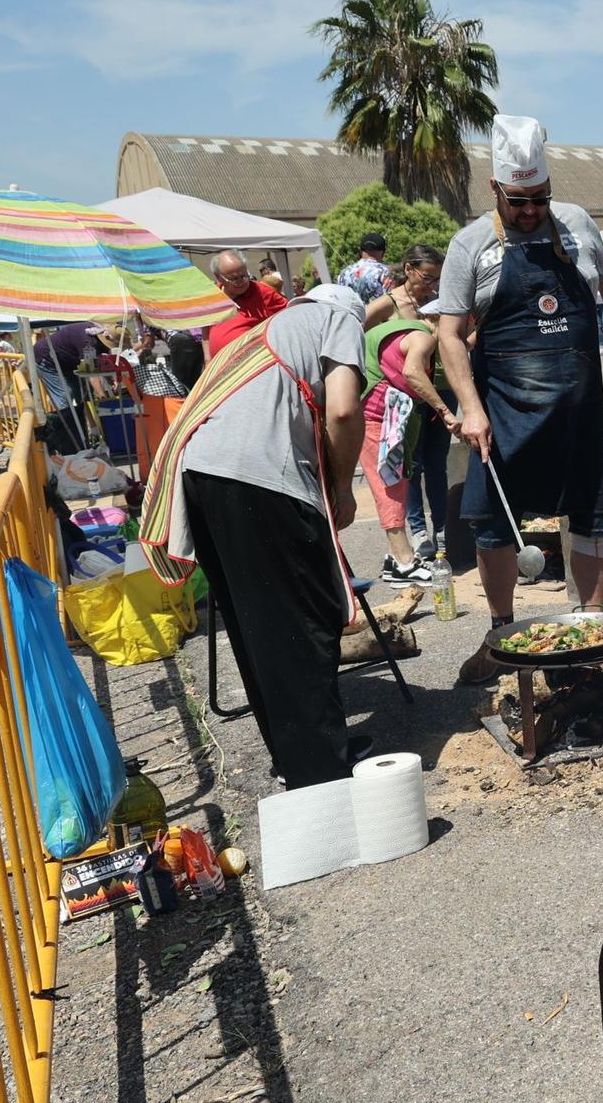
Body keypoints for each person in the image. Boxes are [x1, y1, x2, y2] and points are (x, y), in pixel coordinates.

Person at [138, 285, 371, 787]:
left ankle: (297, 757)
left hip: (198, 475)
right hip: (261, 479)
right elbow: (345, 411)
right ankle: (322, 773)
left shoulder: (265, 330)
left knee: (255, 627)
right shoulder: (340, 321)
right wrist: (339, 487)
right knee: (302, 623)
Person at [436, 114, 603, 683]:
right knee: (495, 525)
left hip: (576, 408)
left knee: (591, 515)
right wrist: (470, 408)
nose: (531, 212)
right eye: (519, 201)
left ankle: (596, 630)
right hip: (503, 409)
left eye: (540, 199)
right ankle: (501, 636)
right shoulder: (471, 244)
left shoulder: (575, 225)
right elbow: (448, 335)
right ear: (496, 190)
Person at [360, 314, 458, 583]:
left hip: (384, 416)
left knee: (397, 482)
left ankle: (397, 559)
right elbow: (412, 372)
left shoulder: (394, 330)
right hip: (377, 417)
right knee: (389, 486)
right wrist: (445, 411)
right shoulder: (423, 337)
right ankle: (404, 561)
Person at [205, 249, 289, 356]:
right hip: (219, 365)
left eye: (244, 276)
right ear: (218, 277)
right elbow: (206, 330)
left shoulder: (262, 292)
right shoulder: (213, 297)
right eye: (234, 278)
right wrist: (207, 360)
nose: (241, 282)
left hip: (250, 364)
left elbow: (290, 314)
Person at [339, 233, 391, 303]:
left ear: (360, 251)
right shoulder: (386, 273)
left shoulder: (345, 273)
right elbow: (390, 301)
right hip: (375, 313)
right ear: (383, 252)